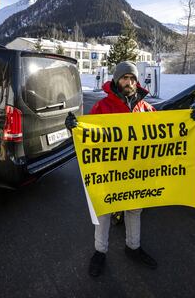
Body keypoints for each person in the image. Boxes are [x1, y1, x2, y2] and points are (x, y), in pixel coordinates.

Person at [65, 61, 157, 277]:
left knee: (134, 209)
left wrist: (188, 120)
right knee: (104, 210)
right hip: (109, 171)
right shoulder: (103, 107)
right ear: (117, 80)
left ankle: (133, 247)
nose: (129, 82)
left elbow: (165, 129)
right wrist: (74, 128)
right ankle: (100, 251)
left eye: (133, 78)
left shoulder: (145, 107)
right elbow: (87, 136)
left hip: (136, 171)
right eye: (125, 77)